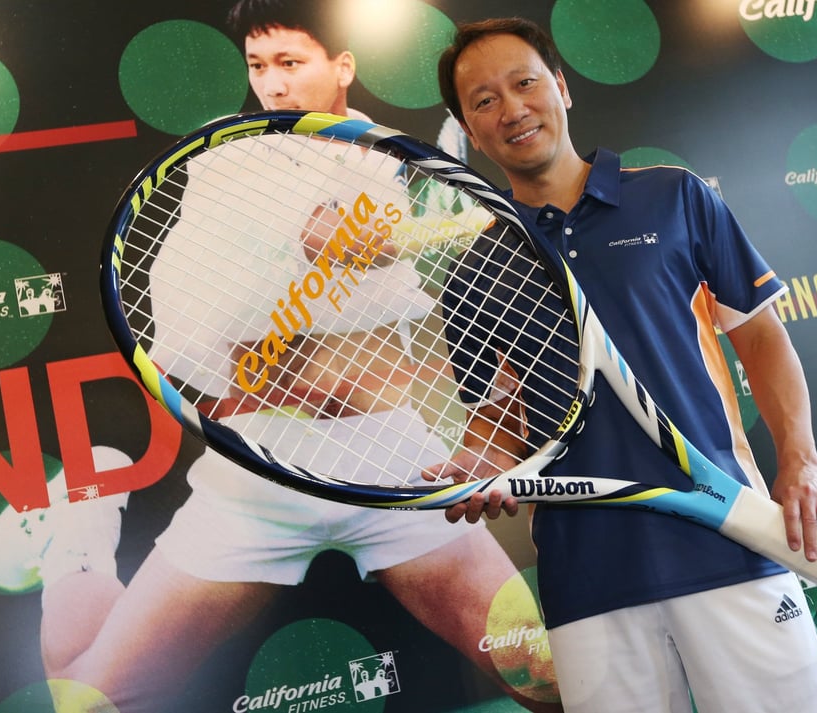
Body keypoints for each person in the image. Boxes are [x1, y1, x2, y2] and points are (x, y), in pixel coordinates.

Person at [31, 3, 558, 711]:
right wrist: (421, 230)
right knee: (88, 698)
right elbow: (306, 251)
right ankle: (81, 542)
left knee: (541, 680)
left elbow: (366, 264)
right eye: (258, 68)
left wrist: (410, 238)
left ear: (342, 67)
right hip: (263, 471)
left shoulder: (387, 154)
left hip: (392, 459)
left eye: (291, 63)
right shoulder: (225, 160)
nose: (273, 86)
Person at [433, 17, 817, 713]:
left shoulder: (674, 197)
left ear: (562, 88)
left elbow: (761, 339)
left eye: (525, 83)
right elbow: (498, 414)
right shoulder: (475, 269)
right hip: (589, 582)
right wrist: (480, 462)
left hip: (730, 542)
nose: (511, 108)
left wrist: (800, 461)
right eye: (483, 101)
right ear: (469, 132)